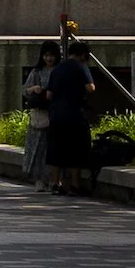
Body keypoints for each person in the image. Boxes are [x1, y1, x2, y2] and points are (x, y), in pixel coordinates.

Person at [46, 40, 97, 196]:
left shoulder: (57, 69)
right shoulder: (80, 67)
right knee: (77, 149)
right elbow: (91, 88)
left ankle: (55, 183)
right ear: (83, 55)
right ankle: (75, 185)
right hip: (75, 115)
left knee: (56, 149)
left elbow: (49, 95)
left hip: (56, 116)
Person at [21, 42, 58, 189]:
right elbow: (25, 90)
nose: (49, 59)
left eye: (51, 55)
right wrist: (34, 89)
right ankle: (39, 179)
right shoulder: (36, 72)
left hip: (54, 114)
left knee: (51, 148)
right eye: (46, 55)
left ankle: (52, 178)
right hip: (40, 114)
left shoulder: (58, 71)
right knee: (37, 147)